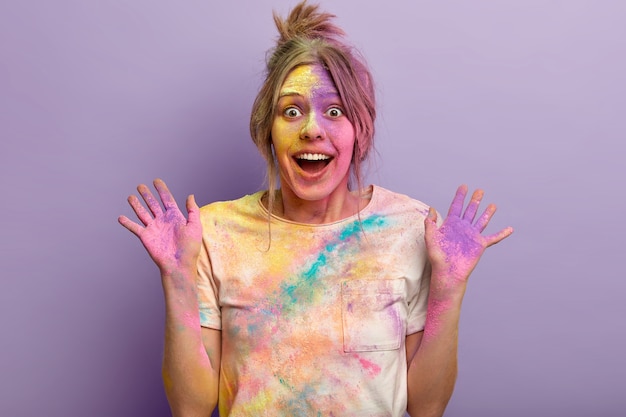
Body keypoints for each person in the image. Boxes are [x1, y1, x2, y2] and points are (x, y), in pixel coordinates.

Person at [118, 2, 513, 416]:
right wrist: (177, 278)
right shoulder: (214, 234)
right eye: (291, 111)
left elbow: (427, 406)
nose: (311, 129)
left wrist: (449, 288)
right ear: (266, 130)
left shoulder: (410, 229)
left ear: (360, 130)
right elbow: (191, 408)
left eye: (335, 111)